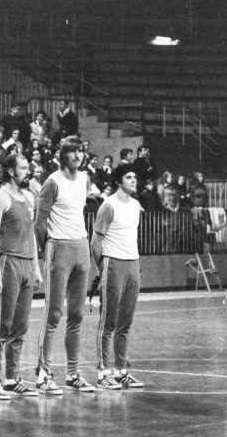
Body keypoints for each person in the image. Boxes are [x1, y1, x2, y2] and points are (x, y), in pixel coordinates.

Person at [34, 136, 94, 393]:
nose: (77, 155)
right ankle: (43, 374)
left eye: (80, 151)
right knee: (54, 312)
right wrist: (49, 248)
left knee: (77, 314)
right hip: (59, 247)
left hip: (81, 246)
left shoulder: (84, 179)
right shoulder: (52, 182)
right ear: (63, 155)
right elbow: (39, 223)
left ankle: (73, 373)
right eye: (72, 151)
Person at [0, 153, 42, 399]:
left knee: (20, 326)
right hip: (8, 263)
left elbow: (31, 236)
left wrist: (36, 267)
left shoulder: (28, 197)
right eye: (23, 167)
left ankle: (11, 377)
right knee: (2, 325)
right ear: (10, 171)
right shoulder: (0, 197)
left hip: (27, 264)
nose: (28, 171)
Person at [90, 163, 145, 390]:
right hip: (113, 263)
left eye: (135, 177)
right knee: (109, 321)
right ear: (119, 181)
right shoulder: (108, 206)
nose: (134, 180)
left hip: (133, 263)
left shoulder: (136, 205)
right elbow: (95, 241)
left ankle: (121, 370)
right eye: (129, 177)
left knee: (126, 322)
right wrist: (102, 267)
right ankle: (103, 372)